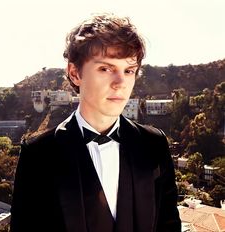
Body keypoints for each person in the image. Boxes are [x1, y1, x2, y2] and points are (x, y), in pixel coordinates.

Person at [10, 13, 181, 232]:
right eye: (106, 68)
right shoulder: (38, 154)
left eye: (129, 70)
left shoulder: (154, 144)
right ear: (75, 73)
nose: (120, 83)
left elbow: (169, 226)